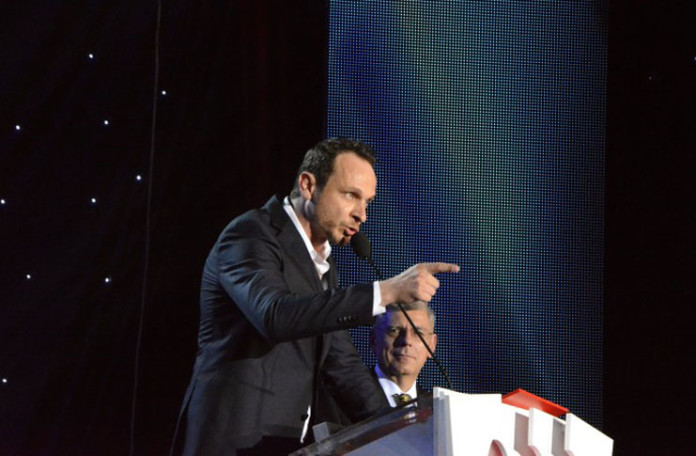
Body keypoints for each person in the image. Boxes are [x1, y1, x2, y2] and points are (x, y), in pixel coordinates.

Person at [171, 138, 459, 456]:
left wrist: (408, 431)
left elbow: (341, 364)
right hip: (232, 441)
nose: (362, 214)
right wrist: (386, 291)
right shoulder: (251, 234)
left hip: (283, 445)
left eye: (368, 202)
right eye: (351, 195)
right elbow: (274, 315)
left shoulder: (323, 264)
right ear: (308, 185)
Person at [370, 301, 437, 406]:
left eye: (418, 333)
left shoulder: (437, 409)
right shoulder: (345, 400)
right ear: (373, 340)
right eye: (395, 331)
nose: (406, 341)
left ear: (432, 344)